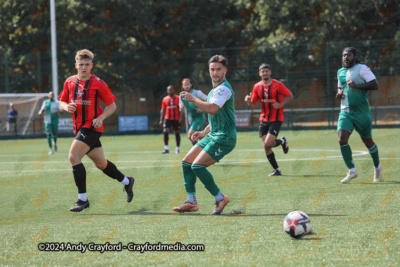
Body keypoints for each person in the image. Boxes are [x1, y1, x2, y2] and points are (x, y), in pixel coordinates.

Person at [58, 49, 134, 212]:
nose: (84, 67)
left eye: (87, 64)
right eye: (81, 65)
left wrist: (101, 118)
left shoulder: (98, 83)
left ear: (91, 66)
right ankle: (127, 182)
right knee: (101, 164)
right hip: (79, 129)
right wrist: (66, 107)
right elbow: (61, 102)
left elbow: (112, 105)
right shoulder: (69, 82)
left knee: (73, 156)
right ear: (76, 65)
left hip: (92, 127)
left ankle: (82, 199)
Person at [173, 55, 235, 215]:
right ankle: (191, 202)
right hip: (214, 134)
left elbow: (212, 109)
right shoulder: (214, 90)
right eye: (212, 69)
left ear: (225, 70)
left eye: (219, 69)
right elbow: (215, 117)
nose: (215, 72)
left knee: (197, 166)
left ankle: (220, 198)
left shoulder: (223, 89)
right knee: (186, 162)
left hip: (225, 138)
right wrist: (203, 132)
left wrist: (194, 99)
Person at [336, 47, 382, 183]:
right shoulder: (340, 72)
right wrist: (339, 94)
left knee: (368, 141)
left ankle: (377, 167)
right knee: (342, 139)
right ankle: (352, 171)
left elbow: (375, 84)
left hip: (362, 112)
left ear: (354, 57)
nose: (346, 57)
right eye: (344, 55)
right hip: (345, 111)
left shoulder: (362, 68)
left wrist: (357, 86)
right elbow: (340, 88)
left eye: (349, 55)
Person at [244, 63, 293, 176]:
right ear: (259, 73)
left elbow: (290, 96)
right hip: (264, 118)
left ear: (270, 72)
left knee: (268, 143)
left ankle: (282, 142)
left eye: (267, 71)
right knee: (266, 146)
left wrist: (281, 104)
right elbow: (253, 105)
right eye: (263, 71)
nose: (265, 73)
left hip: (276, 118)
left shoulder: (278, 84)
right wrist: (248, 101)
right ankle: (277, 169)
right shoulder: (257, 87)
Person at [179, 78, 208, 145]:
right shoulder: (181, 96)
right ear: (182, 86)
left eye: (188, 84)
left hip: (199, 117)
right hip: (191, 118)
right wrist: (181, 108)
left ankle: (197, 150)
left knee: (190, 135)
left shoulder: (197, 92)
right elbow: (181, 106)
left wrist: (202, 108)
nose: (186, 86)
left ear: (191, 85)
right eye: (184, 85)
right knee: (201, 137)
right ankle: (205, 151)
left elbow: (208, 99)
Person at [159, 85, 181, 154]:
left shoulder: (178, 98)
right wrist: (161, 119)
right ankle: (166, 148)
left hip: (176, 118)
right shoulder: (165, 99)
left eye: (171, 89)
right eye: (168, 90)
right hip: (167, 118)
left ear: (174, 90)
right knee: (165, 130)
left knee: (176, 132)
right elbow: (163, 110)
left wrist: (181, 118)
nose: (170, 91)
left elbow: (181, 109)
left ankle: (177, 148)